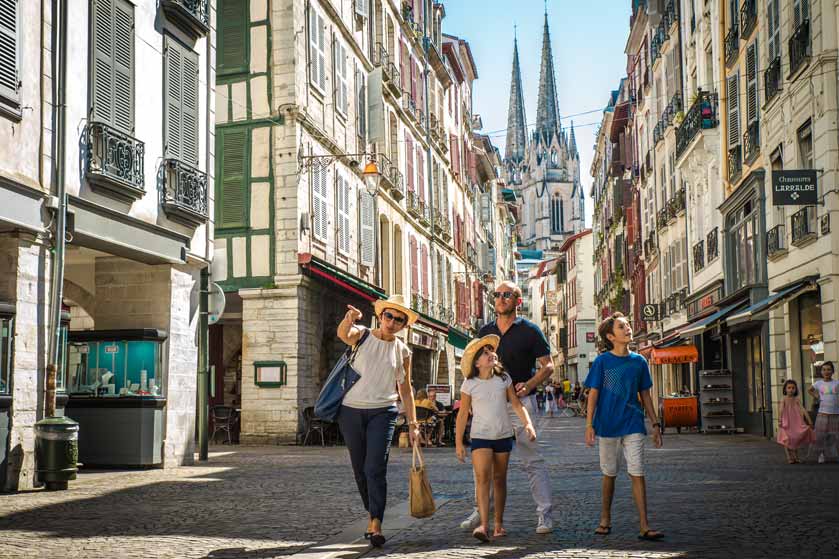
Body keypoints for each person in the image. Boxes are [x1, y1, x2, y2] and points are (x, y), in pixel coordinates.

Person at [460, 280, 556, 534]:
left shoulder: (530, 330)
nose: (501, 298)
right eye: (497, 294)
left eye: (507, 295)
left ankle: (544, 515)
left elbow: (549, 365)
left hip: (520, 402)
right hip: (489, 406)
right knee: (482, 463)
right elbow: (473, 364)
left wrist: (531, 383)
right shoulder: (485, 331)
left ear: (517, 300)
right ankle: (482, 511)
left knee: (532, 460)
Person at [336, 294, 420, 548]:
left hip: (383, 412)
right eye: (388, 316)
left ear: (404, 325)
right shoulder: (361, 335)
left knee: (375, 467)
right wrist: (349, 318)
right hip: (350, 411)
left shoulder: (403, 350)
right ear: (381, 316)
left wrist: (414, 424)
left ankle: (376, 523)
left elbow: (405, 389)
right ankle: (372, 513)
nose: (392, 322)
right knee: (360, 470)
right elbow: (343, 334)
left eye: (398, 319)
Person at [584, 312, 664, 541]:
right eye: (622, 327)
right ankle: (605, 518)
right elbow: (593, 395)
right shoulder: (602, 362)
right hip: (607, 424)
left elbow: (646, 395)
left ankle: (644, 525)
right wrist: (589, 425)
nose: (628, 329)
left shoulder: (639, 361)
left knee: (637, 472)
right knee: (609, 473)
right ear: (611, 336)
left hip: (633, 423)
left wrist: (655, 423)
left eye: (628, 325)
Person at [455, 335, 537, 542]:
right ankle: (483, 524)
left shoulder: (503, 379)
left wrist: (527, 423)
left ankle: (498, 524)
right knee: (483, 478)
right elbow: (463, 413)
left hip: (503, 435)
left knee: (500, 480)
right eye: (485, 352)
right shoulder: (469, 383)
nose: (490, 354)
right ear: (476, 362)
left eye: (491, 351)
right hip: (480, 436)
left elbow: (516, 404)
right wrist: (458, 443)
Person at [776, 379, 815, 464]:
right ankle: (789, 457)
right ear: (785, 389)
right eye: (789, 388)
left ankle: (796, 457)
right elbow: (781, 409)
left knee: (795, 439)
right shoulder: (784, 399)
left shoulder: (796, 399)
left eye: (793, 388)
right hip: (786, 422)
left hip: (796, 422)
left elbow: (803, 409)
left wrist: (809, 420)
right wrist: (779, 420)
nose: (791, 389)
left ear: (796, 389)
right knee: (787, 439)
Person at [807, 361, 839, 464]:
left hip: (835, 413)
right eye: (824, 369)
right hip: (822, 413)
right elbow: (809, 390)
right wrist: (817, 397)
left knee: (834, 436)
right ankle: (821, 454)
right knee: (820, 435)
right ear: (821, 371)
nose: (826, 371)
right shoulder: (818, 383)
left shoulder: (837, 383)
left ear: (833, 371)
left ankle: (832, 454)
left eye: (829, 369)